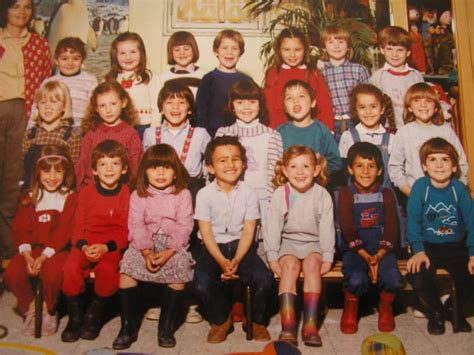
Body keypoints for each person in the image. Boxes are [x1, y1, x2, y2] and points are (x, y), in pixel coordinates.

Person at [192, 136, 274, 343]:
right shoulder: (204, 195)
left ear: (244, 164)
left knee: (264, 279)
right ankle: (221, 319)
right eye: (222, 160)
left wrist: (236, 260)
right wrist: (221, 261)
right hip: (213, 248)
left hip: (241, 247)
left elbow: (248, 231)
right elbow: (206, 233)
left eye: (235, 159)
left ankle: (254, 320)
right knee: (200, 283)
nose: (230, 165)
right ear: (210, 168)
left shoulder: (249, 194)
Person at [112, 144, 194, 349]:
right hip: (144, 244)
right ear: (144, 172)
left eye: (166, 168)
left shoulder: (182, 194)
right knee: (127, 267)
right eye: (154, 167)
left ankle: (165, 327)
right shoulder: (138, 195)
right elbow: (136, 225)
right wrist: (146, 251)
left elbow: (185, 226)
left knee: (181, 266)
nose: (160, 173)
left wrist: (169, 251)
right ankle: (128, 327)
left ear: (175, 173)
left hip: (172, 245)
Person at [264, 145, 335, 347]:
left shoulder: (322, 195)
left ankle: (310, 326)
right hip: (288, 242)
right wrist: (272, 255)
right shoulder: (281, 193)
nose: (300, 172)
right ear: (285, 171)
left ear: (316, 170)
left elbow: (327, 229)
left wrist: (328, 256)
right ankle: (288, 326)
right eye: (293, 167)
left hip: (314, 243)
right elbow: (273, 227)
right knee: (290, 266)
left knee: (312, 265)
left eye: (306, 166)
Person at [4, 144, 77, 337]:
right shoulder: (30, 198)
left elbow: (64, 233)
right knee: (12, 272)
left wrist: (43, 258)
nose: (52, 177)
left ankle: (47, 308)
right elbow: (21, 230)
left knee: (52, 274)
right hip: (32, 250)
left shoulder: (69, 198)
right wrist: (27, 256)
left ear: (65, 173)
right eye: (46, 171)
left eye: (58, 171)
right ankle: (31, 307)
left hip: (57, 252)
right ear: (38, 172)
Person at [61, 140, 130, 343]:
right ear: (94, 170)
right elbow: (78, 227)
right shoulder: (87, 193)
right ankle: (75, 317)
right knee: (71, 268)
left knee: (108, 271)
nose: (109, 169)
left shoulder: (126, 193)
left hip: (110, 245)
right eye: (103, 164)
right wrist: (83, 246)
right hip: (85, 244)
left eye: (115, 164)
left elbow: (125, 231)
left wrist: (105, 247)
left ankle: (94, 314)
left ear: (124, 168)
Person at [406, 137, 474, 335]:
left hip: (456, 246)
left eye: (445, 160)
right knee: (416, 275)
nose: (438, 165)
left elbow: (471, 223)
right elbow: (413, 222)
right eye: (432, 159)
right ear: (424, 166)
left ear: (454, 167)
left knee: (469, 276)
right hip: (428, 246)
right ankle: (435, 311)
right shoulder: (420, 188)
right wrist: (418, 250)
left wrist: (472, 253)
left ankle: (453, 309)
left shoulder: (459, 189)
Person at [0, 0, 51, 259]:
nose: (22, 11)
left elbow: (45, 87)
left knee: (12, 187)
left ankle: (9, 261)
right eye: (15, 6)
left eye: (27, 7)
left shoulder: (40, 45)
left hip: (24, 116)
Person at [338, 142, 402, 334]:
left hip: (382, 248)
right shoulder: (346, 194)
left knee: (393, 277)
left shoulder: (387, 194)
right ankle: (350, 306)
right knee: (356, 278)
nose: (365, 171)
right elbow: (347, 228)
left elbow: (392, 229)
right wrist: (365, 255)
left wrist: (381, 254)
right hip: (355, 249)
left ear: (380, 170)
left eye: (371, 166)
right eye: (359, 166)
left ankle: (385, 307)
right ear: (350, 168)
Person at [388, 82, 468, 198]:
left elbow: (461, 163)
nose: (423, 105)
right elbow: (395, 167)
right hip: (416, 195)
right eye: (417, 101)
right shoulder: (404, 132)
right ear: (409, 107)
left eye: (428, 101)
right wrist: (409, 191)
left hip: (447, 195)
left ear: (436, 107)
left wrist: (457, 190)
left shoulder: (446, 131)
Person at [143, 83, 210, 202]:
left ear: (189, 110)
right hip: (158, 190)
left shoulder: (200, 134)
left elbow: (209, 165)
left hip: (191, 190)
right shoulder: (150, 134)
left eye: (182, 102)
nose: (175, 107)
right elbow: (145, 165)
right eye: (169, 102)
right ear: (161, 109)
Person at [263, 27, 334, 131]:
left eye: (297, 49)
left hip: (309, 130)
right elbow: (269, 108)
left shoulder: (313, 73)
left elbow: (324, 106)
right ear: (279, 50)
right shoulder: (273, 74)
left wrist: (328, 131)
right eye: (286, 49)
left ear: (305, 50)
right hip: (279, 131)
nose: (292, 55)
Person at [76, 81, 143, 190]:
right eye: (102, 105)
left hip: (122, 191)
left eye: (113, 104)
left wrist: (129, 190)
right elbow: (83, 166)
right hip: (93, 190)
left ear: (124, 102)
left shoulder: (131, 135)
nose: (108, 110)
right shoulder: (90, 135)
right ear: (96, 109)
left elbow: (135, 169)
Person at [22, 81, 81, 189]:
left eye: (53, 102)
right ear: (38, 106)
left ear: (64, 107)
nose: (48, 107)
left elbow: (74, 168)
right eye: (43, 102)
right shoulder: (30, 134)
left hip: (60, 189)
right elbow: (24, 167)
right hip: (33, 189)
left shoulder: (71, 135)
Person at [29, 37, 98, 128]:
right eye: (64, 59)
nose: (70, 63)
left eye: (75, 59)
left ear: (82, 60)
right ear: (56, 61)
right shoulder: (49, 82)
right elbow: (36, 108)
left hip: (81, 126)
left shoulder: (90, 80)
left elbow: (95, 106)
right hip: (53, 127)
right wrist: (30, 129)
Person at [277, 80, 341, 175]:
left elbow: (336, 163)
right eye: (289, 98)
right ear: (285, 108)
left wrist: (318, 171)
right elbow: (274, 163)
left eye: (301, 96)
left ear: (313, 102)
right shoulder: (279, 132)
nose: (295, 100)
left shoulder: (322, 131)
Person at [105, 32, 162, 138]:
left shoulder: (150, 76)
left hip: (145, 126)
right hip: (119, 127)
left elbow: (157, 103)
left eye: (133, 52)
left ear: (141, 53)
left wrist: (155, 127)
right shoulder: (111, 79)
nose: (128, 57)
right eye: (122, 53)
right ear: (115, 55)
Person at [195, 29, 251, 136]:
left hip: (242, 134)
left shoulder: (247, 80)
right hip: (213, 135)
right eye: (224, 48)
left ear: (241, 52)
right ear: (216, 51)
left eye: (234, 48)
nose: (229, 52)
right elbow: (201, 114)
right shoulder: (208, 79)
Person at [320, 25, 370, 143]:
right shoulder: (319, 74)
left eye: (341, 42)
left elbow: (370, 98)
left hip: (356, 121)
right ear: (324, 48)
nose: (336, 46)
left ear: (348, 47)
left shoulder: (359, 70)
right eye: (331, 42)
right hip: (331, 124)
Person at [339, 83, 394, 185]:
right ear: (355, 110)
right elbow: (344, 171)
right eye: (362, 107)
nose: (368, 111)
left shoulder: (391, 139)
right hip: (355, 197)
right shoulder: (348, 137)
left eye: (373, 106)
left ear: (382, 109)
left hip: (384, 196)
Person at [369, 26, 424, 129]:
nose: (394, 54)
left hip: (413, 127)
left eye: (400, 50)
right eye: (389, 49)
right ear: (382, 50)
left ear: (408, 52)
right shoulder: (378, 77)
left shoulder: (415, 76)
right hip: (388, 129)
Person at [158, 31, 206, 99]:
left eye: (186, 49)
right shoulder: (163, 78)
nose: (182, 53)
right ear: (171, 53)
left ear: (194, 50)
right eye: (177, 50)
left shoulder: (205, 75)